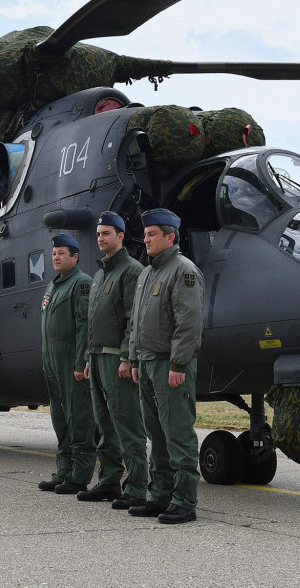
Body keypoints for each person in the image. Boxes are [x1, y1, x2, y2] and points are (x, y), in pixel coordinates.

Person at [125, 208, 205, 525]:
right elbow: (136, 322)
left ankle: (185, 501)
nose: (145, 239)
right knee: (155, 435)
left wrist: (178, 363)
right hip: (146, 363)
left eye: (152, 234)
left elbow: (189, 323)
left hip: (169, 366)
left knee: (177, 434)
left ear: (170, 237)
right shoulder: (147, 274)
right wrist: (133, 358)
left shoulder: (183, 271)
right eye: (144, 234)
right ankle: (160, 495)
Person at [77, 210, 148, 510]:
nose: (100, 238)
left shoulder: (131, 271)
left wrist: (126, 357)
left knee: (127, 424)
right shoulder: (100, 274)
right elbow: (92, 321)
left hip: (116, 361)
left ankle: (137, 486)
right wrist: (87, 358)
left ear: (120, 236)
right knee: (104, 425)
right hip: (97, 358)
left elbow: (134, 320)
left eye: (106, 233)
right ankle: (109, 479)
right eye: (98, 234)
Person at [37, 233, 96, 495]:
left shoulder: (81, 284)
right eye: (54, 254)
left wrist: (80, 360)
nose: (56, 257)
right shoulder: (54, 286)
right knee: (59, 417)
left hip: (71, 357)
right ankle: (63, 470)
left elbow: (85, 326)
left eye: (62, 253)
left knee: (78, 417)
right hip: (52, 359)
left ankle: (80, 475)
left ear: (75, 257)